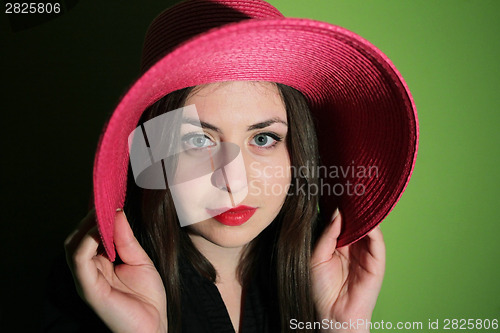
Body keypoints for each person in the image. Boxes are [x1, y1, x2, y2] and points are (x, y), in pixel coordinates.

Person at [63, 1, 418, 332]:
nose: (234, 182)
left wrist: (343, 327)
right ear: (153, 154)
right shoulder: (92, 290)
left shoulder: (328, 279)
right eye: (198, 141)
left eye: (263, 139)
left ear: (297, 152)